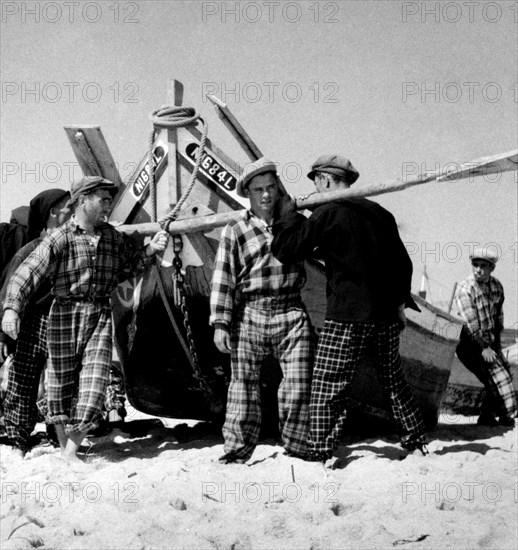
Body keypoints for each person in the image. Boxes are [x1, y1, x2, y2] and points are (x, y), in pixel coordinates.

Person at [271, 154, 427, 462]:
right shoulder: (381, 213)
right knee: (393, 381)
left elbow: (287, 250)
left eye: (315, 182)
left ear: (326, 180)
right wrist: (398, 306)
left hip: (347, 315)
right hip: (384, 314)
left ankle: (320, 449)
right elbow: (403, 265)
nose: (314, 190)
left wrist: (287, 216)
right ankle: (417, 438)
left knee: (329, 383)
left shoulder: (327, 213)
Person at [2, 176, 169, 463]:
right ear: (83, 200)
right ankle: (27, 441)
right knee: (42, 385)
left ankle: (69, 450)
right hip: (54, 319)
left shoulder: (112, 238)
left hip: (97, 316)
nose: (108, 205)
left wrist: (151, 250)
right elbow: (22, 276)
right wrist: (10, 311)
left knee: (92, 383)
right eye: (102, 199)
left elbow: (129, 267)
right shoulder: (52, 241)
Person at [210, 157, 314, 464]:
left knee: (298, 383)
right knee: (242, 388)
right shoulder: (235, 229)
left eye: (271, 187)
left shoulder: (295, 222)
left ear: (278, 188)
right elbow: (223, 276)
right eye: (258, 190)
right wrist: (220, 322)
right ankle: (237, 451)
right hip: (251, 313)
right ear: (249, 194)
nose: (266, 195)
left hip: (291, 311)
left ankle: (298, 447)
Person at [0, 189, 71, 457]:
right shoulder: (30, 251)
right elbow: (9, 293)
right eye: (67, 206)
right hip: (31, 325)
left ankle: (58, 435)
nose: (73, 209)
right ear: (52, 212)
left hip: (62, 324)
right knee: (22, 382)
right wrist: (4, 338)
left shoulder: (74, 246)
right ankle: (19, 437)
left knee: (62, 382)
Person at [455, 247, 517, 426]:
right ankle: (508, 417)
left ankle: (487, 416)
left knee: (503, 373)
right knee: (499, 378)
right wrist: (484, 348)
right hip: (469, 344)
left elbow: (498, 320)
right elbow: (472, 325)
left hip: (488, 342)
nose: (478, 270)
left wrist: (496, 347)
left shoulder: (497, 286)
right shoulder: (465, 289)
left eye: (483, 266)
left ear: (492, 268)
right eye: (475, 265)